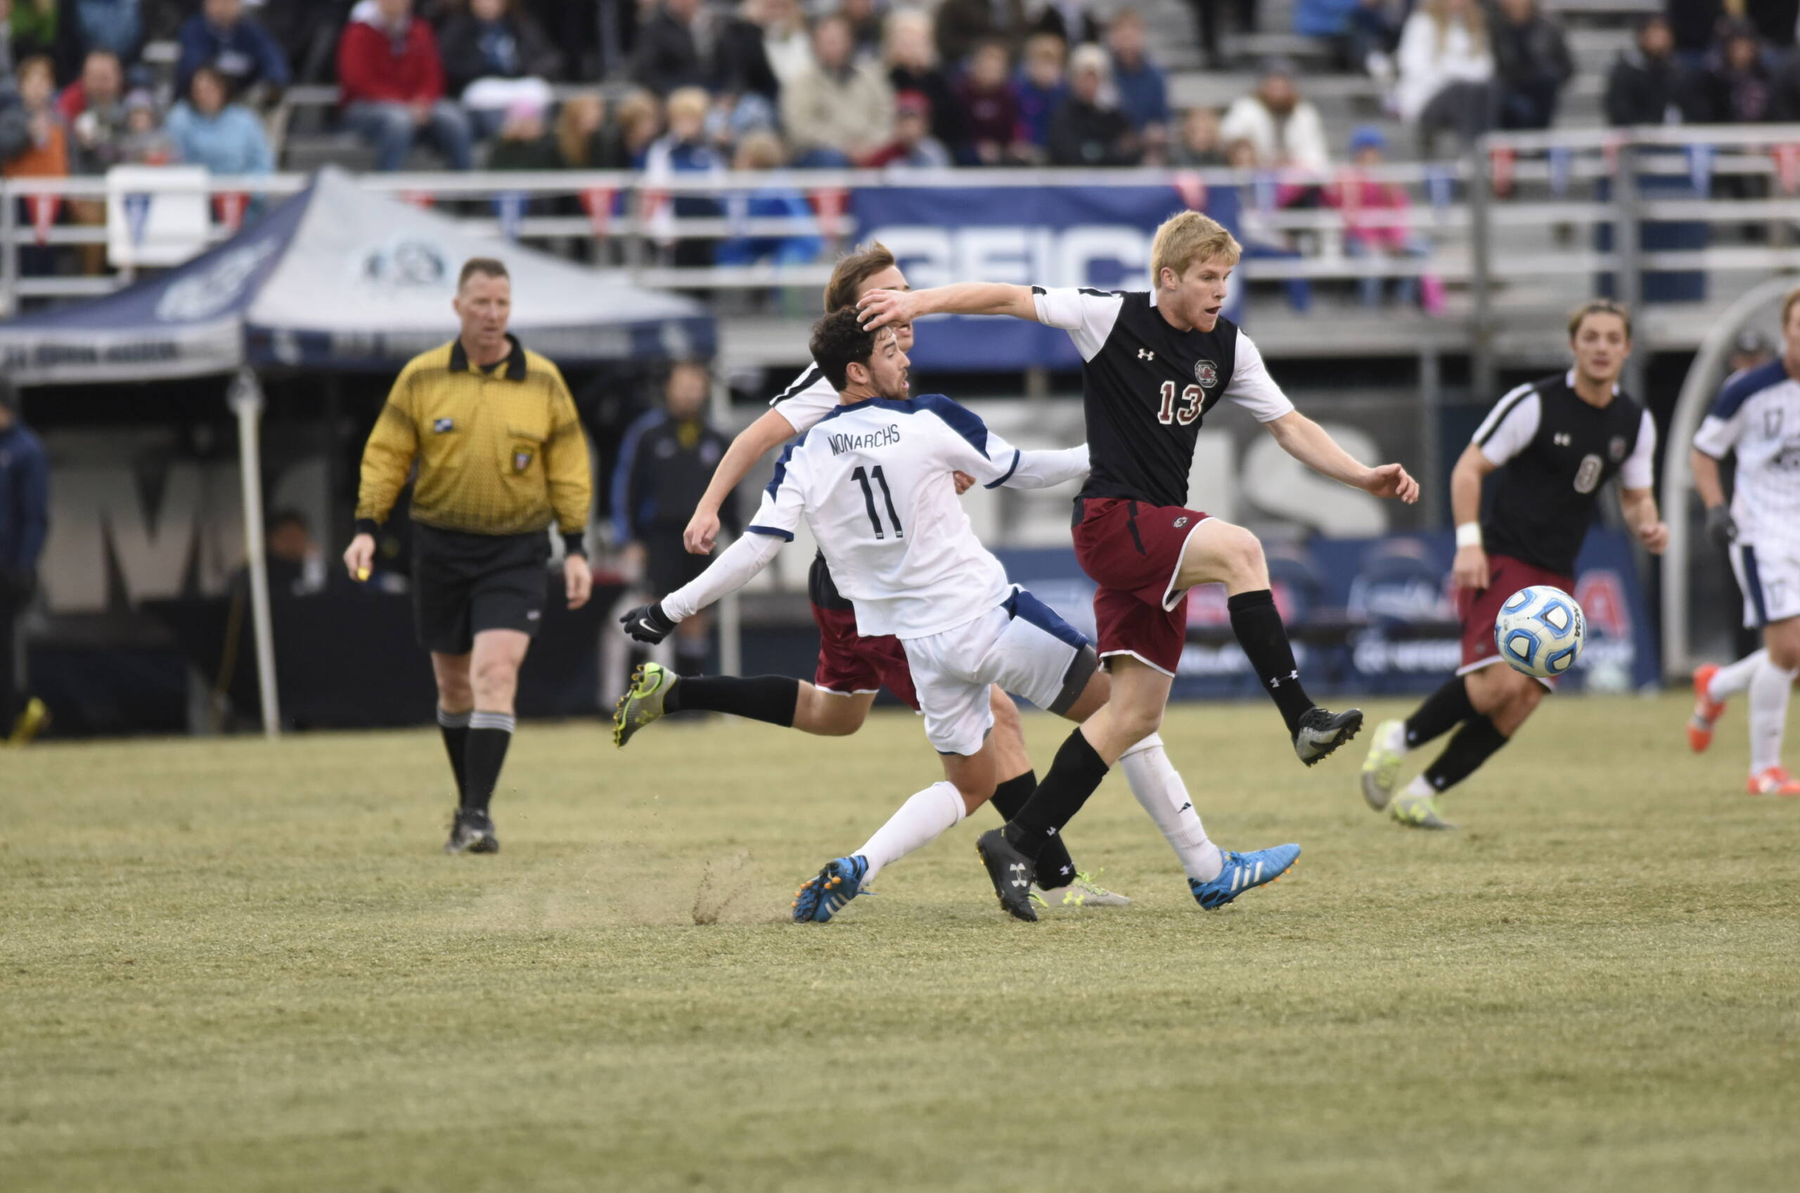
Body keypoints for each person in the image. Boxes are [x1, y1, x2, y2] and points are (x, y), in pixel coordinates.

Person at [620, 309, 1298, 921]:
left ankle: (861, 864)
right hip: (990, 620)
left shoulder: (804, 453)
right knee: (1128, 715)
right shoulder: (927, 418)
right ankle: (1205, 868)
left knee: (970, 784)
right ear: (856, 371)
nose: (905, 358)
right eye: (890, 351)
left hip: (922, 650)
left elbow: (755, 551)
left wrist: (668, 609)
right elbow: (1027, 470)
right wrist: (1111, 453)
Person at [857, 212, 1419, 917]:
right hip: (1112, 521)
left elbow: (1290, 426)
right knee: (1243, 549)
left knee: (1131, 716)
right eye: (1207, 277)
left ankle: (1019, 839)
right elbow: (1005, 297)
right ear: (1168, 277)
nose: (1220, 291)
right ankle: (1301, 715)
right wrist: (917, 302)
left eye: (1226, 277)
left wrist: (1362, 476)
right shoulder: (1109, 317)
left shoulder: (1229, 347)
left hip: (1152, 539)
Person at [628, 243, 1127, 911]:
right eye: (887, 298)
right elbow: (1018, 469)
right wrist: (708, 505)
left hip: (863, 596)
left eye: (904, 291)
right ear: (856, 344)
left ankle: (680, 694)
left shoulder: (827, 437)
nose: (904, 307)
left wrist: (668, 608)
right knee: (1088, 711)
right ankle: (1071, 874)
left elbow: (766, 542)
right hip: (902, 600)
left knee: (837, 716)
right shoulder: (891, 401)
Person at [1361, 300, 1665, 827]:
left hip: (1559, 575)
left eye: (1612, 338)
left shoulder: (1634, 422)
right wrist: (1469, 543)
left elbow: (1636, 497)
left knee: (1523, 699)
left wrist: (1649, 524)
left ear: (1627, 348)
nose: (1601, 347)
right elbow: (1467, 468)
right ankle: (1398, 738)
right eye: (1590, 337)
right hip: (1504, 560)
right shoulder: (1534, 403)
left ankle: (1421, 794)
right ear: (1573, 344)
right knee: (1499, 684)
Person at [344, 257, 594, 855]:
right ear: (457, 306)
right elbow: (386, 455)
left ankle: (478, 815)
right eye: (481, 302)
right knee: (454, 687)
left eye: (501, 303)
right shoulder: (421, 376)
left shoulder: (544, 381)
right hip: (440, 547)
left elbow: (569, 468)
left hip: (516, 550)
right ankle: (467, 807)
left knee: (496, 674)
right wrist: (366, 527)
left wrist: (576, 546)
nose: (492, 314)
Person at [1686, 288, 1800, 796]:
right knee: (1788, 648)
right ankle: (1763, 771)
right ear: (1786, 330)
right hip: (1762, 531)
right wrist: (1715, 507)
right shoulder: (1748, 389)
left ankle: (1715, 685)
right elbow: (1703, 452)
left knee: (1791, 652)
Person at [613, 362, 737, 679]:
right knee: (651, 610)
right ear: (668, 388)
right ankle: (637, 690)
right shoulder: (647, 434)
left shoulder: (717, 438)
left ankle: (688, 692)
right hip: (660, 539)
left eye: (696, 386)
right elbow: (626, 487)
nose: (690, 393)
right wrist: (630, 540)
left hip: (703, 540)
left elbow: (731, 493)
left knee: (696, 616)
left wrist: (738, 536)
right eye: (683, 386)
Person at [337, 0, 474, 172]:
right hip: (366, 106)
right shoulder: (358, 32)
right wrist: (404, 104)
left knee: (453, 118)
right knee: (398, 121)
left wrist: (424, 100)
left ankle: (463, 181)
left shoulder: (420, 30)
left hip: (415, 105)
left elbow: (432, 74)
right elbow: (358, 81)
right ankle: (387, 180)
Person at [0, 376, 48, 746]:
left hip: (7, 569)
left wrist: (24, 565)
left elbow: (35, 515)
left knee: (5, 650)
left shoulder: (26, 449)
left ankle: (10, 721)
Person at [780, 13, 893, 166]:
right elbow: (800, 128)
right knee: (831, 159)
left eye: (838, 39)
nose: (833, 45)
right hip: (822, 153)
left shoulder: (872, 78)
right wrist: (844, 146)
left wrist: (870, 146)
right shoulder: (801, 83)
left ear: (849, 41)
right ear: (815, 45)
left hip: (872, 148)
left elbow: (886, 117)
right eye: (827, 41)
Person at [438, 0, 561, 137]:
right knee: (484, 96)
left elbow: (548, 57)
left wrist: (526, 69)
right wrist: (480, 66)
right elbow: (448, 62)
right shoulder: (459, 26)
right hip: (482, 83)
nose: (487, 4)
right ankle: (503, 139)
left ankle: (532, 139)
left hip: (518, 81)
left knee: (537, 90)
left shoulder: (520, 24)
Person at [1394, 0, 1497, 157]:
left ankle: (1485, 146)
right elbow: (1412, 64)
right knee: (1461, 90)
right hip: (1427, 98)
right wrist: (1455, 74)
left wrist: (1451, 71)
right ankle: (1468, 150)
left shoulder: (1474, 25)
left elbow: (1484, 67)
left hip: (1467, 94)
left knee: (1487, 89)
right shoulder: (1422, 23)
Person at [1218, 60, 1329, 175]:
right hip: (1255, 177)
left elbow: (1318, 159)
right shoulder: (1247, 109)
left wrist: (1292, 164)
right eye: (1273, 84)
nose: (1278, 90)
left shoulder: (1304, 113)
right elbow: (1228, 139)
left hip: (1295, 179)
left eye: (1283, 84)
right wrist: (1253, 156)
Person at [164, 64, 275, 178]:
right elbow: (170, 161)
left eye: (209, 90)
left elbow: (262, 163)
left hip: (239, 186)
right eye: (198, 90)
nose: (203, 96)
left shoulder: (245, 120)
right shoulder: (180, 118)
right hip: (191, 186)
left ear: (223, 89)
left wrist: (246, 184)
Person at [175, 0, 292, 101]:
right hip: (204, 98)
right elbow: (193, 65)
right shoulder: (194, 30)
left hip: (244, 95)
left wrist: (274, 82)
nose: (223, 8)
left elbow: (272, 57)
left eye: (229, 3)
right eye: (218, 2)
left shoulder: (252, 31)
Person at [1048, 43, 1139, 167]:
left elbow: (1129, 152)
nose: (1088, 84)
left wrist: (1096, 153)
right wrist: (1105, 152)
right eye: (1083, 78)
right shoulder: (1062, 114)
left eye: (1094, 78)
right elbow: (1067, 154)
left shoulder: (1113, 115)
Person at [1604, 15, 1701, 127]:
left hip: (1673, 134)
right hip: (1636, 133)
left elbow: (1691, 110)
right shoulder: (1624, 72)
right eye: (1654, 32)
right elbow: (1619, 112)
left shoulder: (1678, 72)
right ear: (1642, 36)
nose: (1659, 39)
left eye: (1663, 33)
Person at [1489, 0, 1571, 131]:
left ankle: (1540, 135)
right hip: (1506, 88)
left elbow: (1566, 66)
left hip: (1539, 88)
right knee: (1519, 108)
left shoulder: (1548, 26)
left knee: (1547, 78)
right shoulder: (1491, 27)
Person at [1107, 8, 1168, 153]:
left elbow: (1162, 121)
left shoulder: (1156, 76)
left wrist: (1147, 135)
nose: (1127, 44)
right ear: (1113, 38)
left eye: (1131, 37)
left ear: (1141, 37)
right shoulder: (1104, 72)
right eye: (1123, 37)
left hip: (1145, 147)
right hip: (1108, 147)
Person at [953, 38, 1022, 165]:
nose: (991, 71)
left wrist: (1013, 145)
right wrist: (977, 146)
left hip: (1003, 151)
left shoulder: (1011, 96)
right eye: (986, 66)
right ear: (975, 66)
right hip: (968, 151)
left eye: (995, 67)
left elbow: (1015, 130)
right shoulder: (960, 94)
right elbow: (956, 133)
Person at [631, 0, 707, 96]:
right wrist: (669, 92)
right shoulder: (655, 28)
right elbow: (647, 70)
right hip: (665, 90)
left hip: (699, 88)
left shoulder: (702, 28)